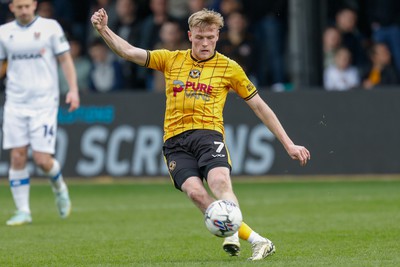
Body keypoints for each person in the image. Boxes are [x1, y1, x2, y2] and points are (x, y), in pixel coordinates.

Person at [91, 8, 310, 261]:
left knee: (219, 182)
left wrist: (288, 143)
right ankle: (259, 240)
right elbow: (128, 51)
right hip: (174, 142)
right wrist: (104, 29)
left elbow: (259, 106)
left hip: (208, 135)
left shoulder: (230, 68)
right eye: (199, 37)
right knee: (195, 193)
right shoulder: (171, 59)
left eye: (210, 37)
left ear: (218, 36)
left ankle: (230, 233)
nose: (204, 43)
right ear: (190, 35)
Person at [0, 0, 80, 226]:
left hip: (44, 102)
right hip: (15, 102)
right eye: (19, 6)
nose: (24, 10)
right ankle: (23, 210)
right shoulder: (4, 33)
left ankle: (59, 187)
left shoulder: (50, 27)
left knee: (42, 160)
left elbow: (65, 59)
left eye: (27, 6)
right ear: (12, 8)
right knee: (17, 155)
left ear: (34, 5)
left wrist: (73, 90)